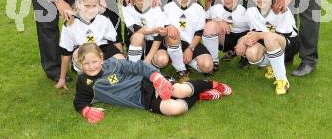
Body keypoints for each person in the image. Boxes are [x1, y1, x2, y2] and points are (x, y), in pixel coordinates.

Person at [73, 43, 232, 123]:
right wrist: (85, 111)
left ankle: (208, 83)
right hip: (142, 100)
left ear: (101, 58)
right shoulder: (84, 82)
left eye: (94, 61)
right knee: (174, 108)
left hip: (148, 82)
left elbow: (139, 66)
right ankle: (199, 96)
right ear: (80, 64)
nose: (91, 66)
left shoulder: (115, 63)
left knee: (179, 91)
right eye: (86, 64)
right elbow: (79, 101)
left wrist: (156, 77)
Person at [235, 0, 300, 95]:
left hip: (289, 44)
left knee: (269, 37)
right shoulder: (251, 12)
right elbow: (252, 33)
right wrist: (243, 41)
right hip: (268, 43)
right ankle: (272, 67)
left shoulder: (280, 9)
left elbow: (278, 35)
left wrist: (259, 35)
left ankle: (282, 80)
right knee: (252, 54)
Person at [55, 0, 125, 90]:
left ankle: (111, 81)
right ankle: (91, 80)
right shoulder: (70, 24)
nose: (91, 10)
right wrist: (62, 78)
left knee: (119, 60)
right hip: (82, 52)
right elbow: (66, 53)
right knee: (84, 56)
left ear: (99, 6)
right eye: (87, 6)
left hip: (102, 49)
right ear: (78, 4)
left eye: (94, 6)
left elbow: (116, 41)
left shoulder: (104, 20)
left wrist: (122, 59)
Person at [163, 0, 215, 81]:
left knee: (207, 66)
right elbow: (162, 29)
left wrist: (190, 49)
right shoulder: (167, 7)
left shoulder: (198, 8)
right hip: (173, 42)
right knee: (172, 34)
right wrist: (168, 26)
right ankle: (182, 70)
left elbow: (199, 32)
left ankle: (182, 60)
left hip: (192, 43)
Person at [122, 0, 169, 68]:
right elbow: (138, 30)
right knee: (138, 36)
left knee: (162, 60)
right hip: (138, 42)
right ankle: (133, 67)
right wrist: (155, 29)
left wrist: (148, 58)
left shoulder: (156, 8)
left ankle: (147, 63)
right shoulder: (127, 8)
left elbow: (159, 37)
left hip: (155, 44)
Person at [204, 0, 251, 68]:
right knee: (210, 26)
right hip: (225, 37)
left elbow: (257, 30)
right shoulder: (215, 6)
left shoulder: (248, 8)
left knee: (251, 50)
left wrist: (244, 41)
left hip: (243, 36)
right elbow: (206, 20)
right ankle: (214, 61)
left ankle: (245, 56)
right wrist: (218, 20)